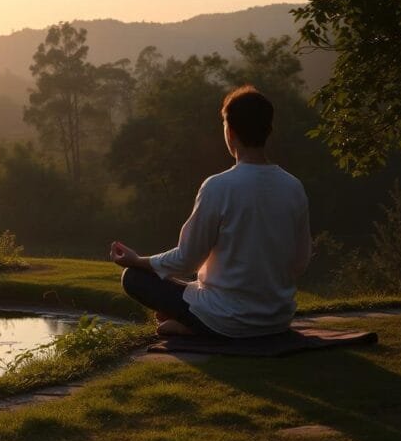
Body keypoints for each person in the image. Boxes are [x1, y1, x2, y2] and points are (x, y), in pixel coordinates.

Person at [110, 85, 311, 338]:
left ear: (230, 132)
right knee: (189, 287)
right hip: (277, 319)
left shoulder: (218, 186)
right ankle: (188, 320)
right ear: (268, 131)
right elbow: (301, 260)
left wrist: (137, 261)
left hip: (226, 319)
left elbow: (187, 259)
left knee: (134, 278)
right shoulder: (293, 186)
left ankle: (194, 326)